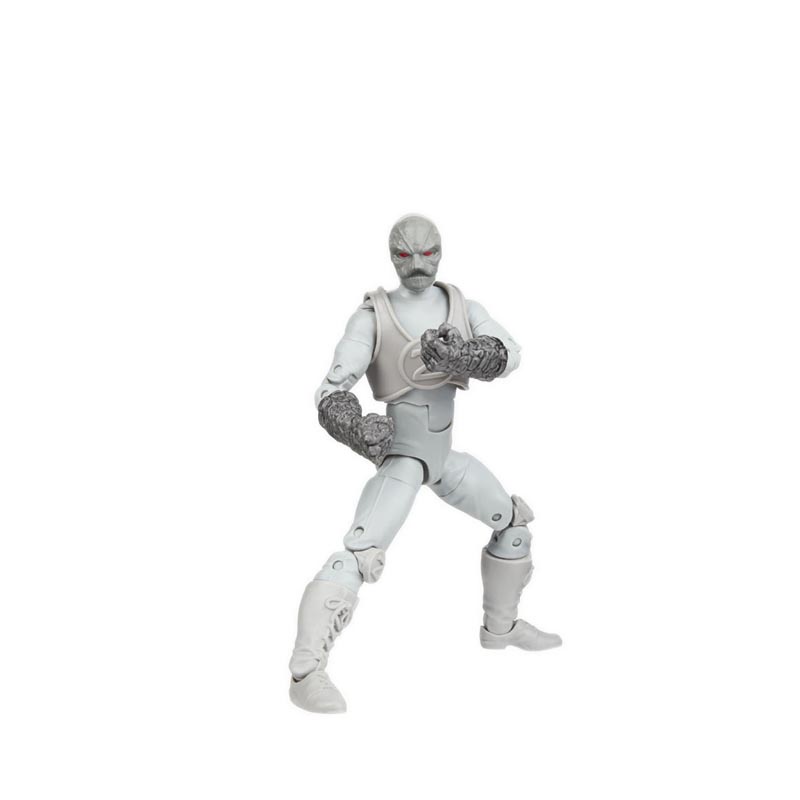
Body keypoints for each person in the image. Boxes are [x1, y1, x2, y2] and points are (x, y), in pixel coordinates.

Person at [289, 214, 561, 713]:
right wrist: (357, 427)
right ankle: (306, 672)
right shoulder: (373, 316)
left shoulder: (462, 306)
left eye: (428, 252)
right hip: (404, 458)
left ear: (441, 252)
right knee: (358, 555)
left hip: (443, 459)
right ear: (391, 256)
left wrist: (467, 356)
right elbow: (330, 392)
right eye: (405, 254)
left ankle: (500, 628)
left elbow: (510, 354)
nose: (417, 263)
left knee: (513, 524)